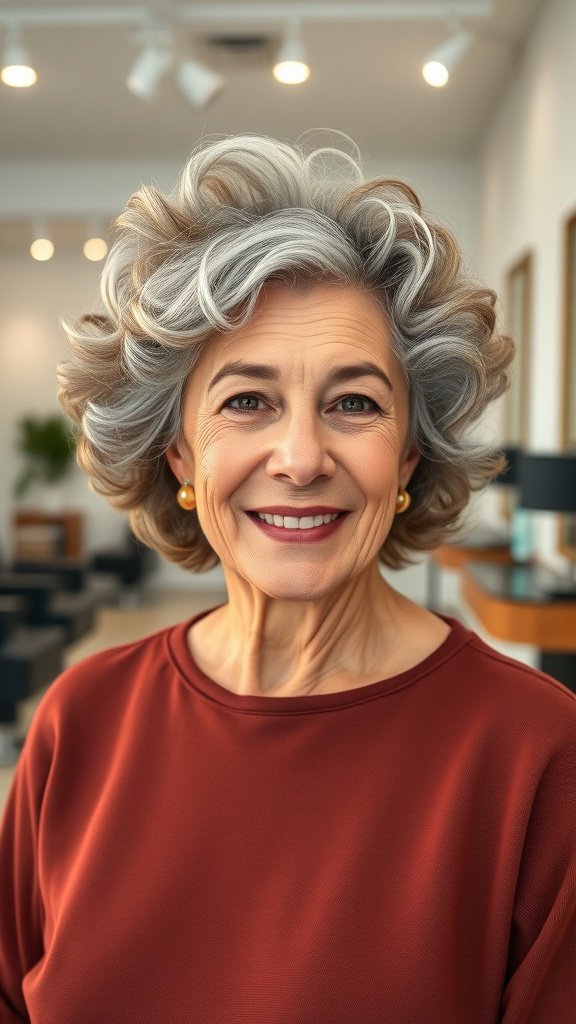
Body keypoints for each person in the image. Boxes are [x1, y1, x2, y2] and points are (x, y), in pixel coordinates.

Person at [1, 133, 575, 1024]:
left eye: (354, 402)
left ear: (408, 455)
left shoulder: (538, 753)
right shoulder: (80, 722)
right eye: (247, 400)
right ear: (180, 452)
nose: (302, 459)